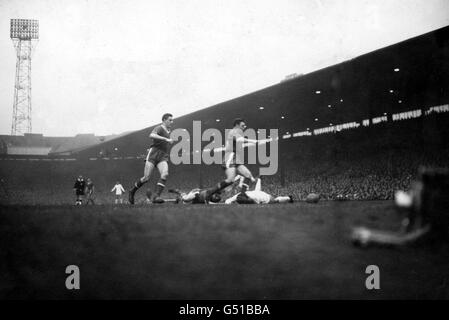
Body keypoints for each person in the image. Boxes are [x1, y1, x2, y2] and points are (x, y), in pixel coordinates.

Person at [205, 118, 270, 197]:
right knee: (230, 180)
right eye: (242, 125)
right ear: (236, 125)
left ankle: (242, 196)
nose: (244, 127)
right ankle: (209, 192)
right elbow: (239, 140)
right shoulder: (234, 131)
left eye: (244, 126)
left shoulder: (237, 132)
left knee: (248, 175)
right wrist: (255, 141)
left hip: (236, 158)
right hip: (230, 156)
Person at [129, 113, 174, 204]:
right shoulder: (159, 128)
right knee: (146, 178)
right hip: (153, 153)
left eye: (172, 120)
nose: (171, 122)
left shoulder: (169, 130)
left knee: (165, 174)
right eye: (170, 120)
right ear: (164, 120)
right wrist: (166, 139)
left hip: (163, 155)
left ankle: (156, 196)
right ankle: (132, 191)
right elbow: (151, 135)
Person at [224, 177, 293, 204]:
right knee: (257, 191)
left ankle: (289, 198)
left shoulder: (253, 200)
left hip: (265, 198)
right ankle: (259, 179)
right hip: (256, 193)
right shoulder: (238, 195)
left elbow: (227, 201)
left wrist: (230, 202)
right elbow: (227, 201)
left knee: (276, 200)